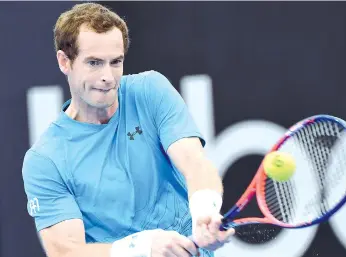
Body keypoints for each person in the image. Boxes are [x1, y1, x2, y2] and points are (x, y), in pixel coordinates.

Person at [22, 3, 235, 257]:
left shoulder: (151, 91)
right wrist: (142, 248)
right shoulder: (45, 159)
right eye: (94, 63)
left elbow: (194, 163)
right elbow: (66, 252)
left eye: (116, 62)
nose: (108, 77)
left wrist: (205, 212)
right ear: (64, 62)